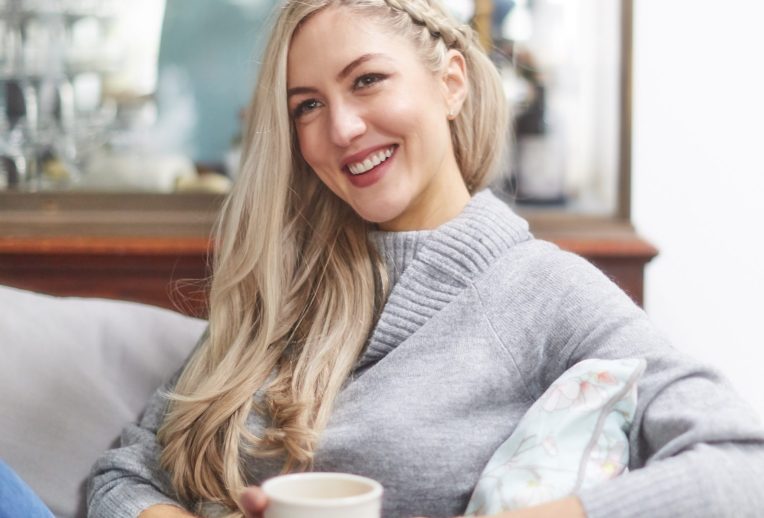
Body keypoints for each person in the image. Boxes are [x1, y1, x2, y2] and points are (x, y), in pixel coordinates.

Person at [87, 0, 764, 517]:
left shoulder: (540, 291)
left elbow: (741, 465)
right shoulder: (287, 286)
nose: (342, 129)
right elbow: (123, 476)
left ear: (451, 84)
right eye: (308, 107)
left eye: (369, 81)